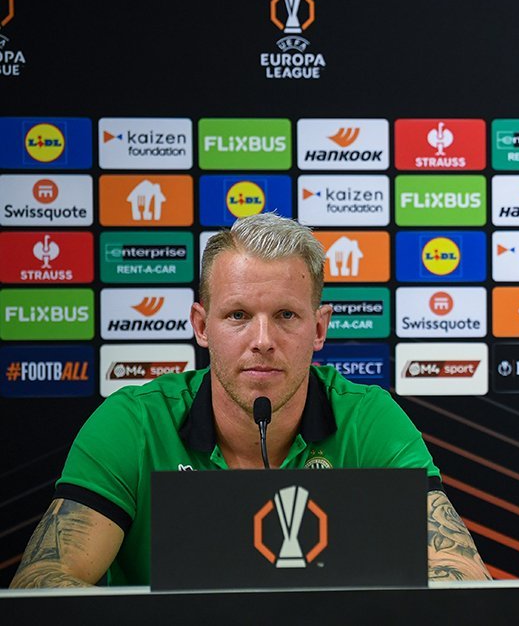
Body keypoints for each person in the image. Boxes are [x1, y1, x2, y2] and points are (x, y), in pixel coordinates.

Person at [11, 212, 492, 587]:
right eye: (238, 315)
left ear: (319, 328)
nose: (263, 340)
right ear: (202, 326)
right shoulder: (133, 423)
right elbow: (43, 581)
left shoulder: (368, 419)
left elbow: (462, 576)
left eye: (286, 315)